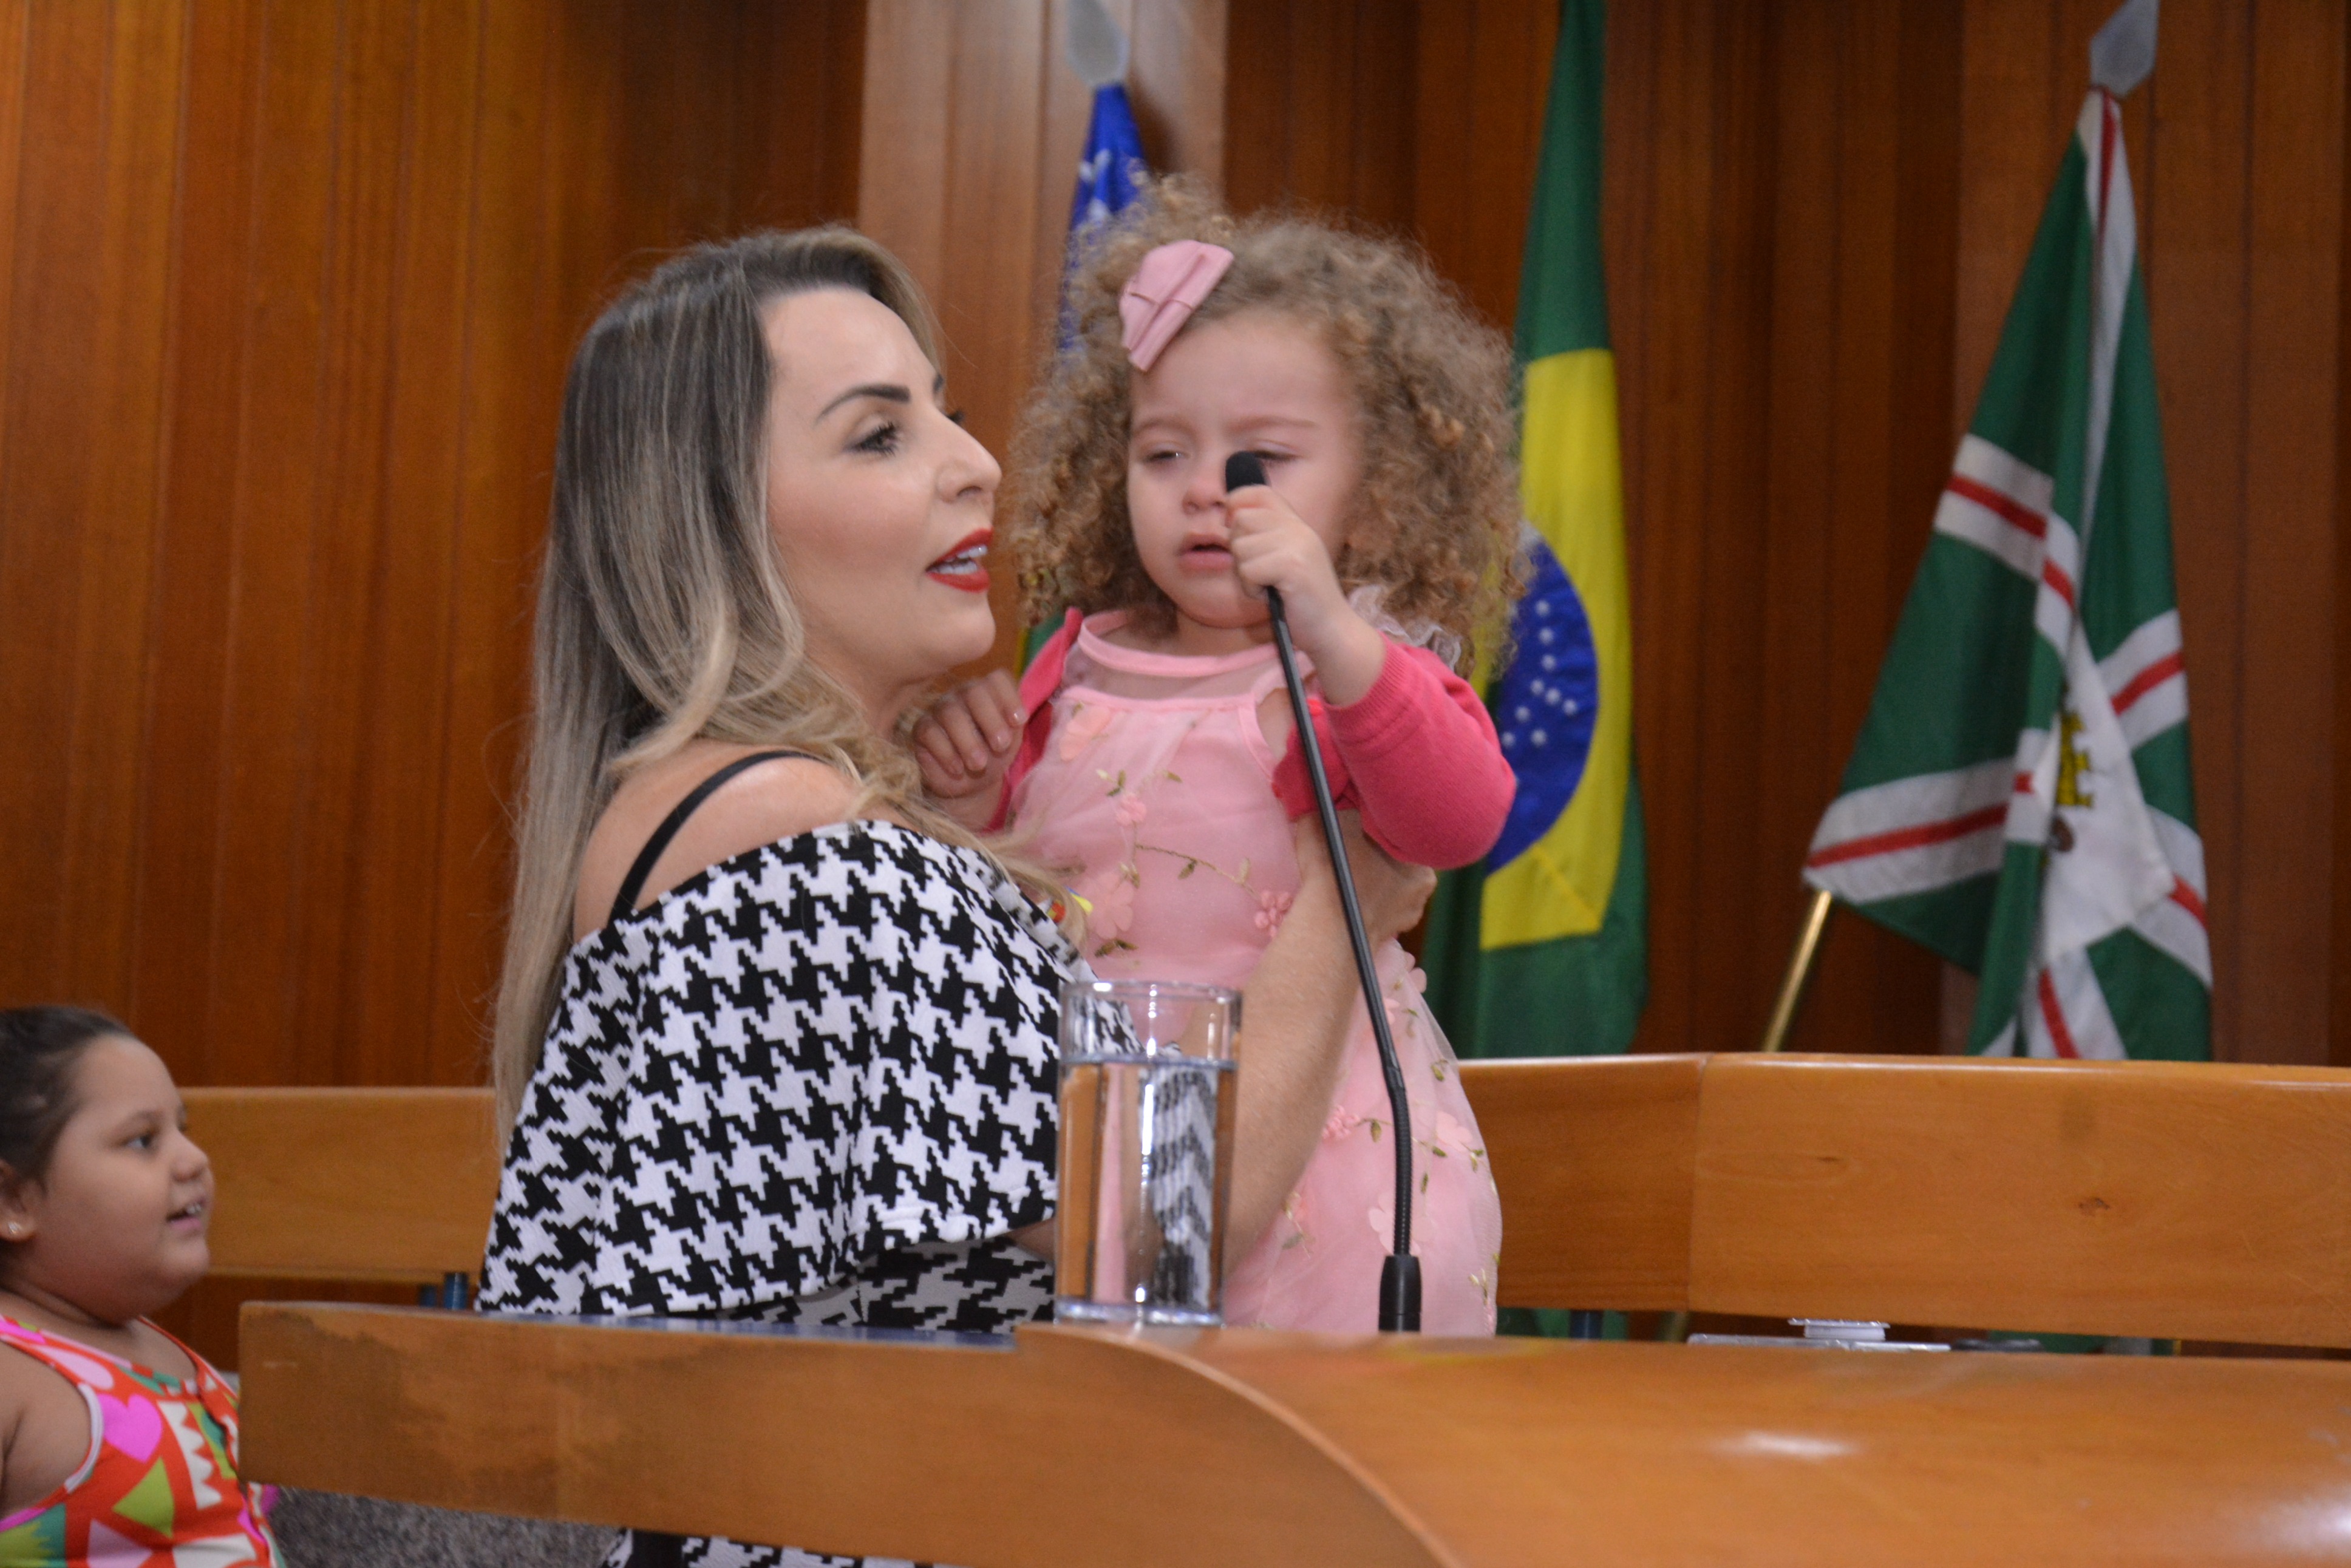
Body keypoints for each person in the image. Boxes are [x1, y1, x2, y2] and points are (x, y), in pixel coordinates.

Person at [477, 228, 1434, 1568]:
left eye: (947, 411)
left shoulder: (700, 814)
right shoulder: (813, 846)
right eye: (879, 435)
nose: (976, 462)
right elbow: (1163, 1224)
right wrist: (1344, 887)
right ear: (715, 522)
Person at [914, 185, 1522, 1335]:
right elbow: (1008, 901)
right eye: (1163, 451)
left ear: (1378, 497)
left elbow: (1459, 820)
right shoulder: (1074, 662)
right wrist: (970, 792)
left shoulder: (1362, 667)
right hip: (1121, 1178)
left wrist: (1336, 632)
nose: (1205, 486)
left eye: (1260, 459)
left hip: (1340, 1176)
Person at [0, 1006, 281, 1566]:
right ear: (14, 1201)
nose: (194, 1159)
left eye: (183, 1130)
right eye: (142, 1140)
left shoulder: (164, 1353)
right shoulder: (11, 1373)